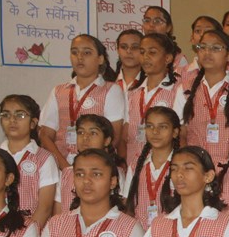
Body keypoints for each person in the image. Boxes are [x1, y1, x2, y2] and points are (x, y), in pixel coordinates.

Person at [38, 33, 126, 167]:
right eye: (74, 52)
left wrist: (86, 168)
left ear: (100, 59)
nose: (79, 57)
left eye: (87, 53)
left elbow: (113, 137)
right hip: (60, 167)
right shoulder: (58, 91)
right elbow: (45, 135)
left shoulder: (111, 90)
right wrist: (65, 167)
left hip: (94, 167)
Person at [182, 27, 229, 166]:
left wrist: (227, 166)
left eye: (215, 48)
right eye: (203, 47)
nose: (207, 52)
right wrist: (188, 163)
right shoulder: (185, 87)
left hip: (228, 165)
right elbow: (181, 131)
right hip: (193, 166)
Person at [0, 93, 57, 232]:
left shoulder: (44, 158)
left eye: (20, 115)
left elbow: (45, 208)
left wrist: (26, 236)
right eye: (6, 115)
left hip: (31, 231)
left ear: (33, 123)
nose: (12, 120)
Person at [125, 32, 183, 169]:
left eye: (152, 52)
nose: (145, 57)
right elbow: (125, 134)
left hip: (164, 164)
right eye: (142, 52)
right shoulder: (133, 90)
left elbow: (181, 133)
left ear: (167, 58)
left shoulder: (177, 90)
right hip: (133, 163)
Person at [123, 105, 180, 229]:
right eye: (150, 126)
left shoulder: (181, 166)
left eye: (162, 127)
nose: (155, 132)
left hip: (169, 231)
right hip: (140, 233)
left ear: (175, 132)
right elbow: (127, 204)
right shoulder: (135, 165)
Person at [55, 113, 116, 208]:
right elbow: (59, 210)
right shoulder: (66, 173)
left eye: (93, 133)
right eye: (81, 132)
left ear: (107, 141)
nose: (85, 137)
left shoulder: (114, 172)